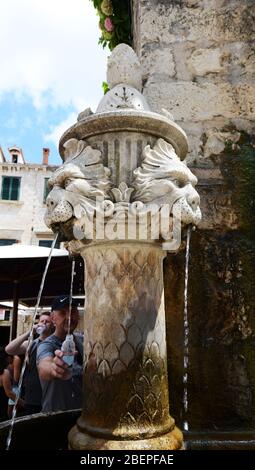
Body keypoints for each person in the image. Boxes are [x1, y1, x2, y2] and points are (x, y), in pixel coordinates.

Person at [37, 295, 83, 412]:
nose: (69, 317)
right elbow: (43, 366)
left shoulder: (82, 342)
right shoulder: (47, 345)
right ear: (53, 318)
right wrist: (54, 368)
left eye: (73, 312)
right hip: (56, 417)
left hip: (82, 416)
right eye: (63, 313)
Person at [5, 312, 54, 414]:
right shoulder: (31, 344)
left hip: (51, 394)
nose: (44, 323)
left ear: (53, 324)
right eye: (42, 321)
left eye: (47, 321)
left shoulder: (55, 343)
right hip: (32, 397)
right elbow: (9, 349)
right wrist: (30, 331)